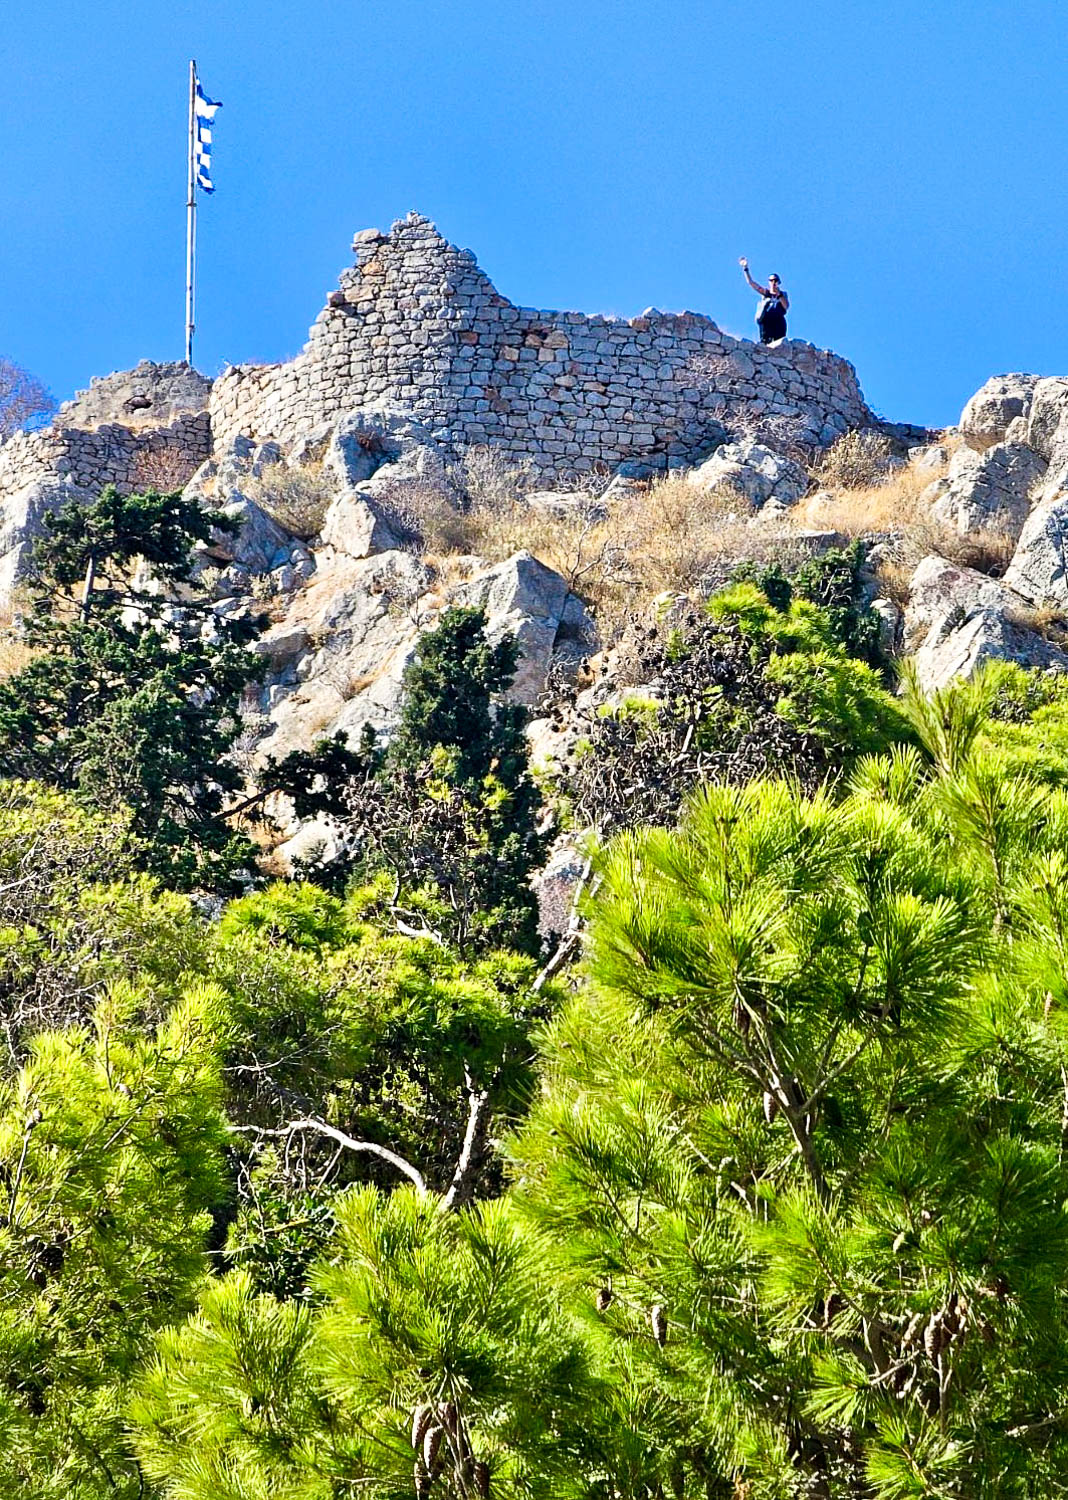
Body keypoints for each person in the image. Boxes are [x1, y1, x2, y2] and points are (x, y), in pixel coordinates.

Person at [739, 257, 789, 344]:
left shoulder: (783, 294)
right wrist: (745, 269)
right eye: (771, 280)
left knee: (780, 342)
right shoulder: (766, 293)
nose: (773, 282)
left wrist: (779, 295)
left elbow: (786, 306)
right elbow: (752, 283)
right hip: (766, 321)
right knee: (765, 342)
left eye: (775, 280)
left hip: (778, 321)